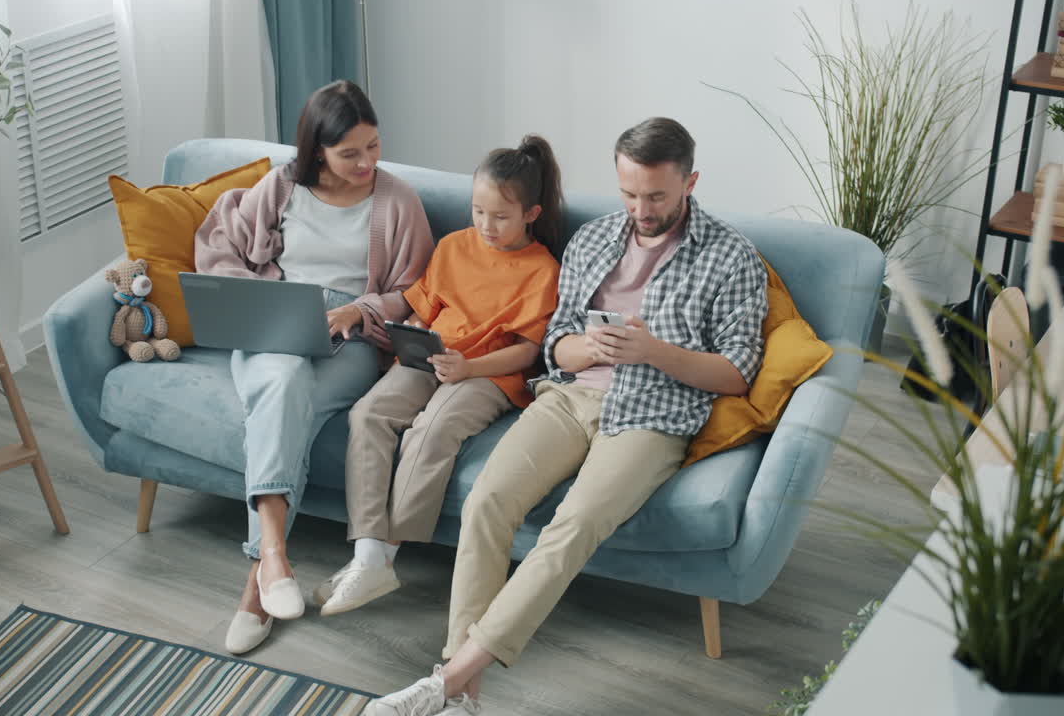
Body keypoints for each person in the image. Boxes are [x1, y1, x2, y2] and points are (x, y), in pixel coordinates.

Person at [365, 117, 769, 716]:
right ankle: (460, 696)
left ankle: (446, 683)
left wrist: (650, 350)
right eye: (629, 193)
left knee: (571, 528)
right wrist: (588, 348)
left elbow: (738, 371)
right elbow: (553, 345)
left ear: (690, 182)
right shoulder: (595, 240)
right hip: (569, 396)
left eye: (656, 195)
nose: (641, 208)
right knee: (487, 501)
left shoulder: (731, 256)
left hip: (652, 415)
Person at [194, 80, 434, 656]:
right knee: (283, 381)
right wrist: (261, 302)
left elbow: (418, 292)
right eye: (350, 153)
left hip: (351, 341)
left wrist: (360, 308)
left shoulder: (397, 201)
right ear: (317, 150)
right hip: (275, 326)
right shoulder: (280, 187)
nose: (366, 162)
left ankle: (261, 579)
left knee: (287, 400)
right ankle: (269, 563)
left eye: (373, 147)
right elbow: (220, 242)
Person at [314, 135, 565, 616]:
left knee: (432, 430)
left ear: (530, 214)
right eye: (477, 212)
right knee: (369, 413)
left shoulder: (541, 270)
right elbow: (424, 308)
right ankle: (366, 553)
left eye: (500, 216)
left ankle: (384, 556)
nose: (485, 226)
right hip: (433, 358)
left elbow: (527, 352)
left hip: (487, 374)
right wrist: (413, 333)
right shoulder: (453, 247)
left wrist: (468, 366)